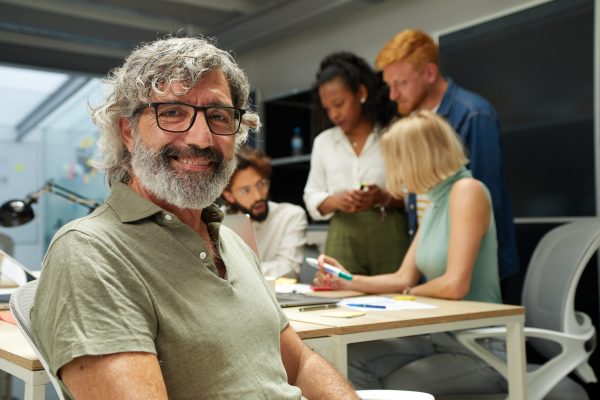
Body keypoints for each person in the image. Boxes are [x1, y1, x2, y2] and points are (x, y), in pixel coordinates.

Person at [30, 36, 358, 400]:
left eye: (218, 116)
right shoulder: (90, 253)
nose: (201, 138)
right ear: (128, 132)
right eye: (172, 112)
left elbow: (300, 366)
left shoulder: (232, 242)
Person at [313, 111, 505, 395]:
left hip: (482, 350)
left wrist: (405, 295)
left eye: (395, 161)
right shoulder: (436, 199)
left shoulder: (467, 191)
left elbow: (454, 285)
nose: (395, 172)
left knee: (391, 390)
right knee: (345, 363)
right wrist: (346, 280)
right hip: (440, 340)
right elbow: (402, 277)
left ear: (416, 158)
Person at [375, 29, 519, 293]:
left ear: (430, 73)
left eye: (401, 84)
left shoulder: (474, 115)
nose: (393, 95)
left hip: (474, 278)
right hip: (438, 272)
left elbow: (483, 198)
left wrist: (445, 279)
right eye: (389, 86)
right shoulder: (414, 125)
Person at [303, 51, 408, 276]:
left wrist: (382, 197)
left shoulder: (392, 136)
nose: (334, 114)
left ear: (361, 93)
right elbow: (311, 195)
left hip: (389, 234)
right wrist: (335, 201)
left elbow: (414, 193)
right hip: (343, 235)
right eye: (327, 108)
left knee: (396, 301)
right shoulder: (324, 142)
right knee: (338, 300)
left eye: (339, 104)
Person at [222, 146, 308, 278]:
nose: (258, 197)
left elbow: (289, 270)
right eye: (246, 190)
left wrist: (236, 269)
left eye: (261, 184)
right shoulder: (218, 221)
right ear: (229, 196)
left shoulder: (291, 216)